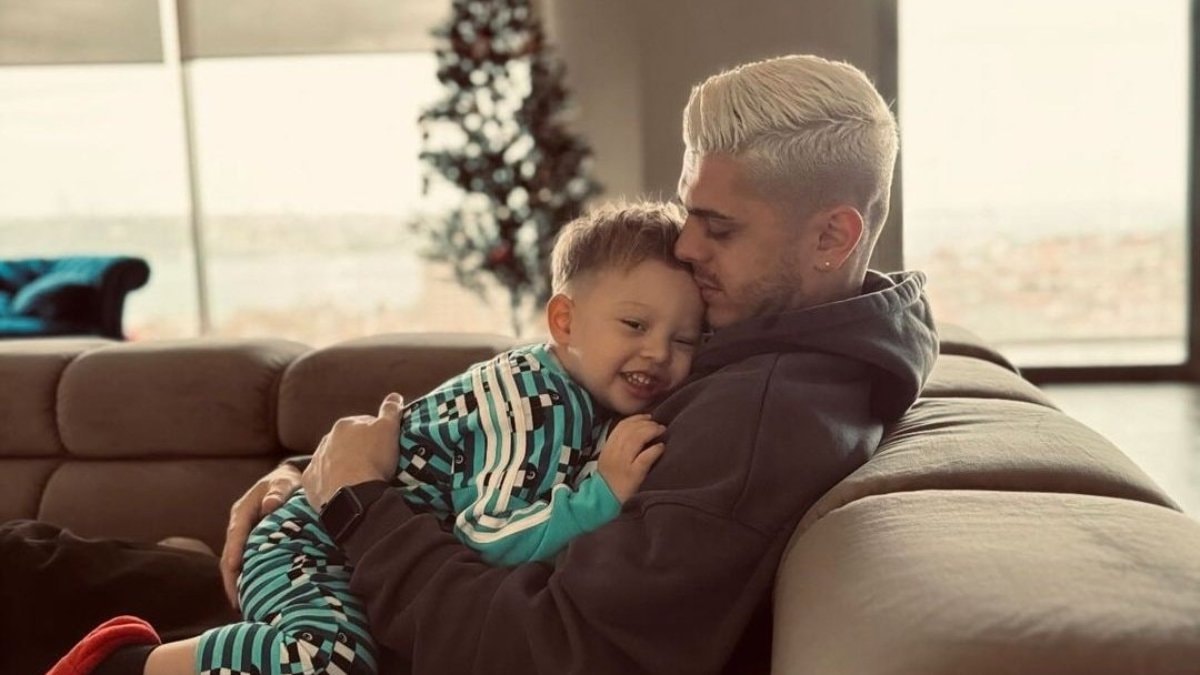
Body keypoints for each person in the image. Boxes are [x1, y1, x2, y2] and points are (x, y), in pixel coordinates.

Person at [219, 53, 939, 673]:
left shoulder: (758, 424)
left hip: (358, 629)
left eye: (718, 228)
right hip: (349, 569)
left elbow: (539, 649)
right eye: (688, 213)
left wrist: (355, 501)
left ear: (831, 238)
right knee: (160, 568)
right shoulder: (758, 334)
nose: (685, 246)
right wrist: (313, 475)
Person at [47, 203, 705, 674]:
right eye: (634, 324)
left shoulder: (570, 392)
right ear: (564, 320)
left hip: (336, 550)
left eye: (684, 339)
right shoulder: (542, 402)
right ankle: (121, 662)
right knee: (326, 660)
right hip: (311, 541)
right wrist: (600, 494)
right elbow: (489, 532)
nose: (659, 352)